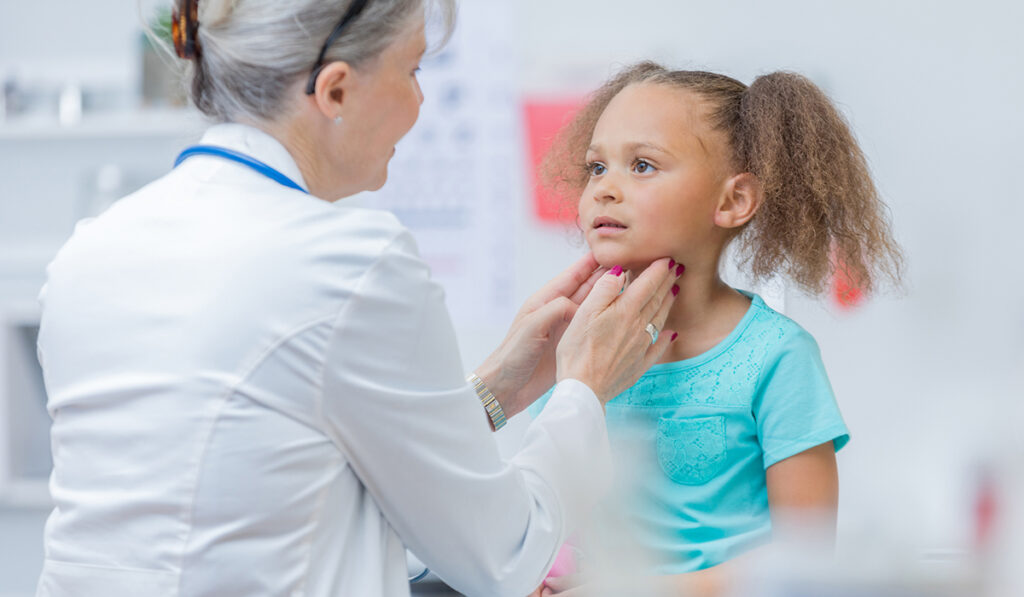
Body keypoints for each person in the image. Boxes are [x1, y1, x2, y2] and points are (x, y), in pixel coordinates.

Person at [33, 4, 684, 597]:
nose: (422, 101)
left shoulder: (91, 249)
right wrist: (585, 387)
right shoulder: (346, 262)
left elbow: (276, 467)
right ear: (336, 90)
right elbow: (504, 553)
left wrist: (492, 392)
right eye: (413, 70)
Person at [527, 61, 904, 596]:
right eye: (596, 167)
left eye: (642, 165)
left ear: (733, 201)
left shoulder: (779, 357)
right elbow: (545, 515)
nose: (604, 188)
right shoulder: (571, 349)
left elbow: (806, 561)